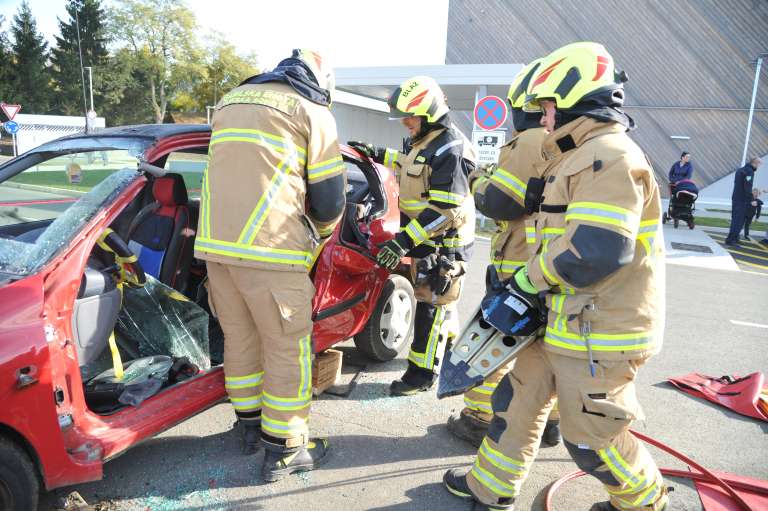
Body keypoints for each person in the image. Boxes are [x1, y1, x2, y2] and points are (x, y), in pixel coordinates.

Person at [442, 42, 669, 511]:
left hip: (600, 331)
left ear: (574, 101)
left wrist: (527, 281)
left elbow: (596, 250)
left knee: (592, 439)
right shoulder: (576, 156)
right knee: (515, 401)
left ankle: (644, 504)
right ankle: (491, 487)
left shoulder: (610, 157)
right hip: (563, 319)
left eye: (547, 108)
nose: (542, 118)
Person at [194, 49, 345, 481]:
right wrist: (315, 231)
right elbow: (331, 197)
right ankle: (285, 447)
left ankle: (247, 429)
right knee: (286, 349)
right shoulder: (311, 110)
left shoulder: (229, 101)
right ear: (323, 80)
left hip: (217, 253)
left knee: (239, 339)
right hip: (272, 253)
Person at [446, 59, 561, 450]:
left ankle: (478, 419)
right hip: (549, 264)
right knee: (547, 354)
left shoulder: (528, 141)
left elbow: (500, 203)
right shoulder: (562, 143)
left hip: (518, 263)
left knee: (494, 343)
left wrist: (478, 179)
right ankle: (549, 423)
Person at [348, 75, 476, 396]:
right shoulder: (423, 140)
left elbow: (445, 211)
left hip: (446, 247)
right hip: (424, 239)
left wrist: (404, 240)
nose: (405, 122)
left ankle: (421, 376)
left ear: (429, 112)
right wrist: (376, 153)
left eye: (410, 115)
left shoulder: (452, 148)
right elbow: (408, 165)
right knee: (441, 308)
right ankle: (449, 354)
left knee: (430, 307)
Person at [725, 157, 762, 246]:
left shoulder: (740, 170)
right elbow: (747, 187)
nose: (759, 167)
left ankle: (735, 238)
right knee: (738, 221)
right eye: (759, 165)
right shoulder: (749, 172)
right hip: (742, 200)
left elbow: (737, 183)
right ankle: (731, 240)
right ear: (755, 163)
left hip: (736, 198)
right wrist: (751, 200)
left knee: (737, 220)